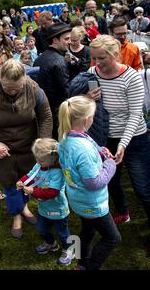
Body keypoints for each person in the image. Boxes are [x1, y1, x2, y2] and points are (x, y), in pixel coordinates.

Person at [0, 59, 53, 238]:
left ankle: (24, 207)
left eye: (16, 88)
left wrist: (42, 141)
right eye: (8, 87)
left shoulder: (33, 88)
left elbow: (46, 115)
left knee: (26, 179)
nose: (12, 91)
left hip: (28, 145)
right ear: (0, 78)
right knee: (10, 183)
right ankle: (16, 215)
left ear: (24, 80)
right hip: (0, 147)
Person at [88, 35, 150, 226]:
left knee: (142, 187)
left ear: (115, 54)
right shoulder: (92, 73)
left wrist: (123, 144)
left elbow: (135, 115)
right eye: (94, 58)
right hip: (106, 138)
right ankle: (122, 211)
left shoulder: (131, 77)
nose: (97, 63)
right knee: (111, 181)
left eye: (101, 58)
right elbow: (85, 107)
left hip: (134, 138)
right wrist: (87, 97)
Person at [58, 95, 121, 270]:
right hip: (93, 203)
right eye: (93, 116)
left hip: (77, 199)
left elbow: (90, 147)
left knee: (88, 231)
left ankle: (81, 263)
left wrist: (101, 151)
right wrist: (110, 164)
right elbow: (94, 182)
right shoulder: (82, 149)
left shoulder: (65, 138)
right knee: (112, 238)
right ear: (87, 120)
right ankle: (91, 267)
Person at [16, 138, 74, 266]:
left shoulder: (57, 172)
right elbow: (31, 175)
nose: (37, 162)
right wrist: (22, 181)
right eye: (36, 158)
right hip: (44, 208)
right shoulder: (39, 165)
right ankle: (51, 243)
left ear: (53, 158)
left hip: (58, 210)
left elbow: (52, 193)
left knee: (63, 233)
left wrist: (32, 192)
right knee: (41, 229)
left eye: (41, 160)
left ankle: (69, 249)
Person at [34, 23, 72, 138]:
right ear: (55, 40)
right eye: (66, 39)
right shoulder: (59, 61)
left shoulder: (39, 59)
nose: (70, 41)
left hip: (40, 112)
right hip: (57, 114)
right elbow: (66, 91)